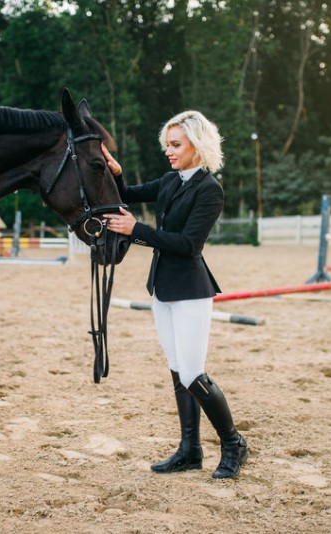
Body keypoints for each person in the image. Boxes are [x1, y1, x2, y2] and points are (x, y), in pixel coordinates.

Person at [102, 110, 249, 479]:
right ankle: (190, 450)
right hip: (162, 288)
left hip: (191, 291)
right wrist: (115, 173)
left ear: (196, 145)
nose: (168, 151)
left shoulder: (209, 190)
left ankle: (233, 444)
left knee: (193, 373)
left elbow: (188, 245)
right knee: (176, 369)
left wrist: (138, 230)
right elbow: (128, 195)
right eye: (167, 144)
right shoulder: (170, 181)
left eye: (175, 144)